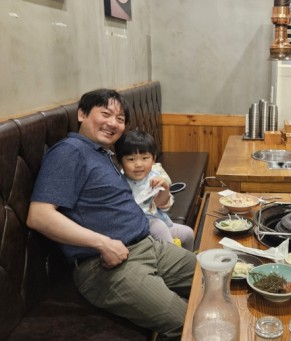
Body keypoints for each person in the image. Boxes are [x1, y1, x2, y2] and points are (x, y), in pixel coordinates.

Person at [27, 89, 196, 340]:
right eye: (105, 114)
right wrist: (102, 243)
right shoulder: (69, 152)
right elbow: (39, 216)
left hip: (149, 246)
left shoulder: (102, 153)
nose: (113, 123)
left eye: (120, 119)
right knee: (190, 323)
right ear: (82, 114)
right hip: (107, 266)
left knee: (218, 278)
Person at [115, 130, 194, 251]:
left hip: (159, 224)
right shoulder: (119, 182)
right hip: (136, 229)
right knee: (158, 226)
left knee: (188, 233)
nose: (138, 164)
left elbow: (160, 204)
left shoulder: (154, 176)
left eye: (145, 158)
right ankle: (174, 258)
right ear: (120, 162)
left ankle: (190, 260)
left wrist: (165, 188)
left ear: (153, 159)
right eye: (131, 159)